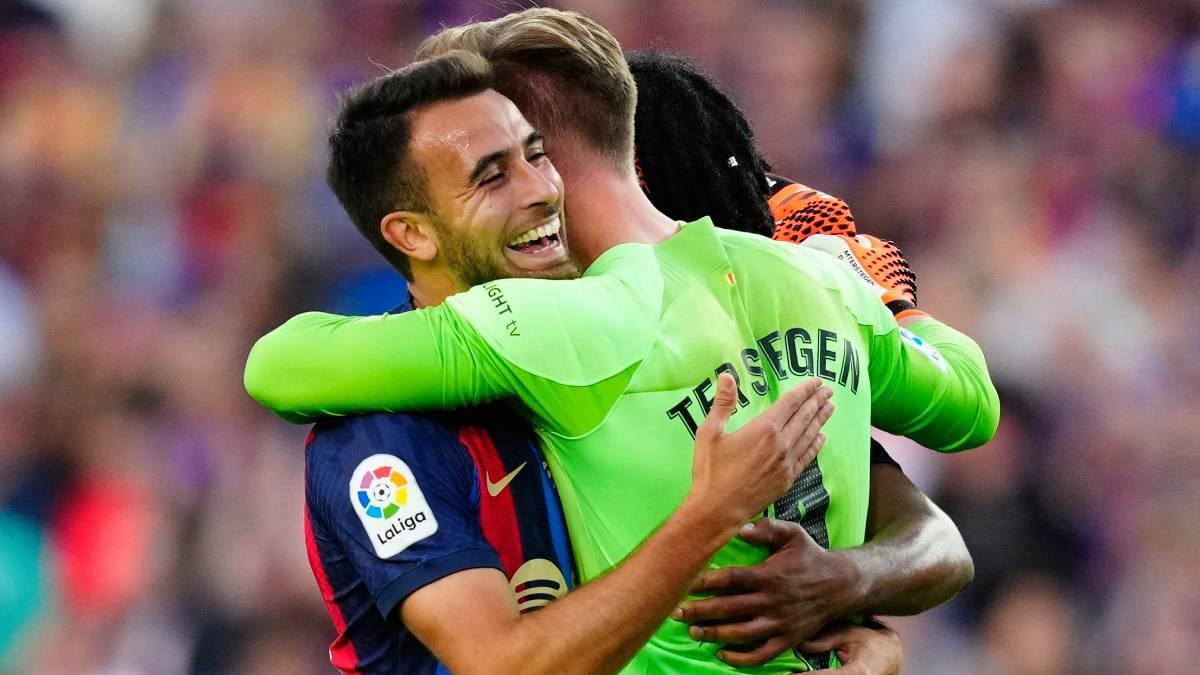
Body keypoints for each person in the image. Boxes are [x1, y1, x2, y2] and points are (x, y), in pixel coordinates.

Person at [245, 9, 999, 673]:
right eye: (491, 172)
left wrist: (853, 589)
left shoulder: (561, 327)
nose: (535, 189)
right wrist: (879, 288)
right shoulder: (814, 276)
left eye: (532, 155)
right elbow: (968, 409)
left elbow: (277, 363)